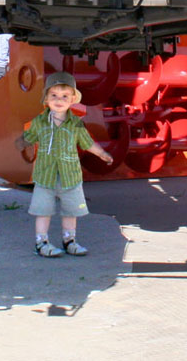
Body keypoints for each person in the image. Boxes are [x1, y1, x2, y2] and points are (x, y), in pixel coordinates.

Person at [15, 71, 113, 257]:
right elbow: (27, 139)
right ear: (46, 98)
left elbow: (87, 143)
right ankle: (41, 242)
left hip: (70, 176)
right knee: (43, 211)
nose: (59, 100)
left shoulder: (76, 124)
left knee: (71, 211)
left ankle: (70, 241)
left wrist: (102, 154)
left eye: (64, 96)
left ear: (73, 99)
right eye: (54, 95)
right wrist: (16, 145)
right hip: (45, 176)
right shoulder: (39, 122)